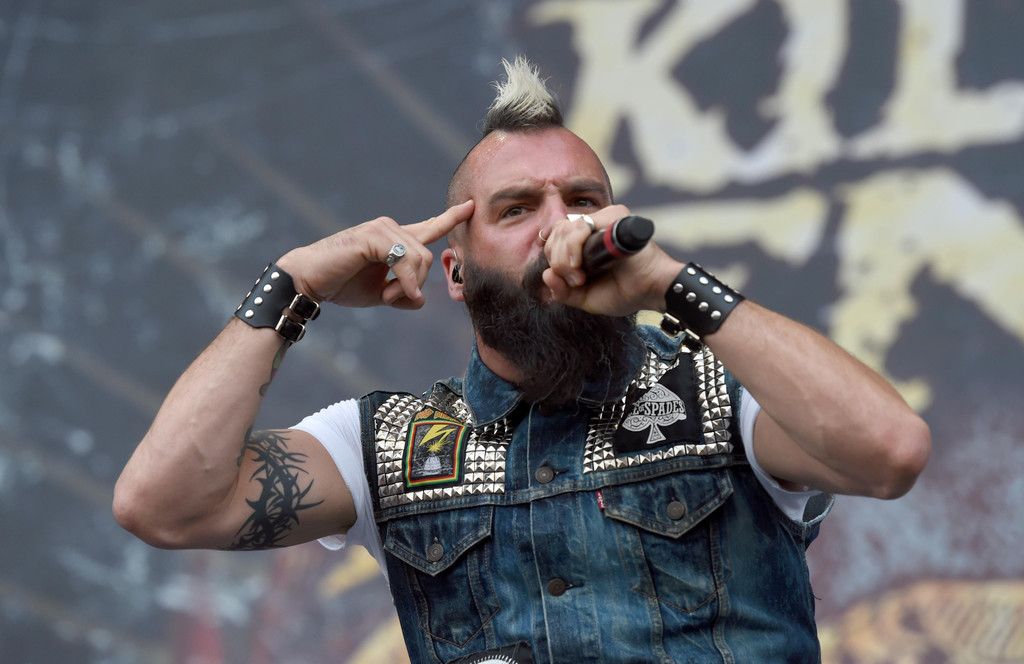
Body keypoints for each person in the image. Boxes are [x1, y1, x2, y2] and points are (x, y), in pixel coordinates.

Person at [114, 57, 931, 663]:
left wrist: (670, 284)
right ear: (456, 271)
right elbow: (164, 505)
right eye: (515, 209)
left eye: (582, 200)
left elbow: (890, 451)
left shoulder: (724, 394)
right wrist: (294, 287)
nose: (557, 224)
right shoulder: (385, 446)